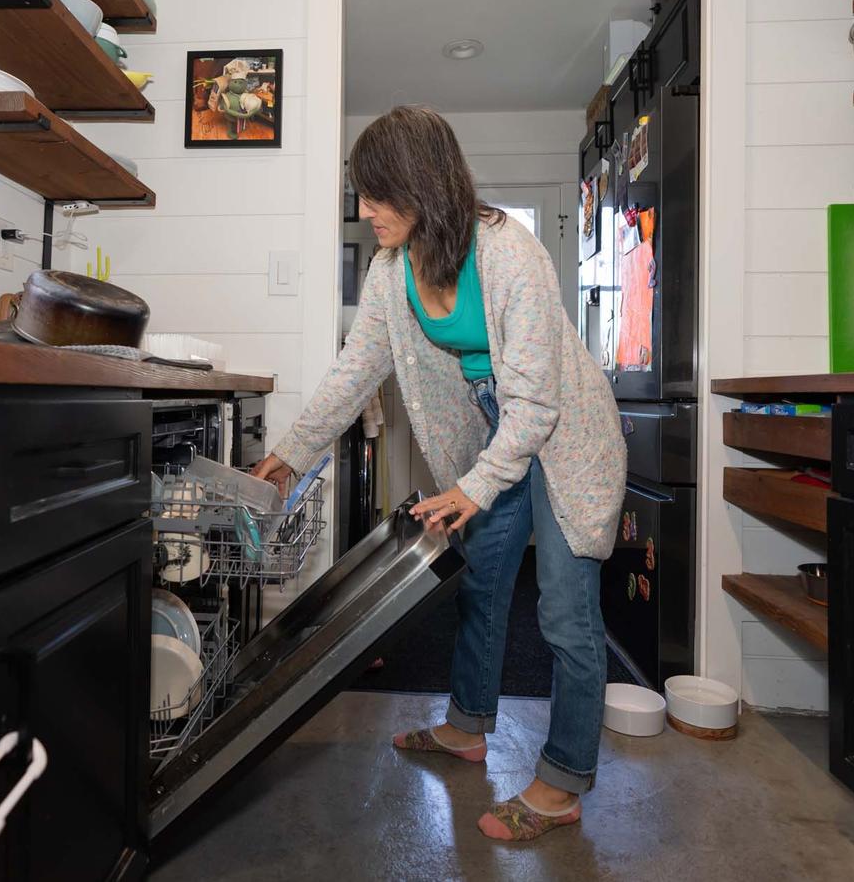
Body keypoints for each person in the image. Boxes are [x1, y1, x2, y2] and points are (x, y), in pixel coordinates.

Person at [253, 106, 625, 843]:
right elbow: (357, 367)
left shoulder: (509, 253)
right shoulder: (392, 272)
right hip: (496, 432)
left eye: (377, 195)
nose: (364, 212)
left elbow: (537, 402)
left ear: (424, 188)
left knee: (564, 608)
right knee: (482, 582)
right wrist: (291, 449)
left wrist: (473, 488)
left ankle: (563, 779)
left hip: (561, 434)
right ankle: (466, 728)